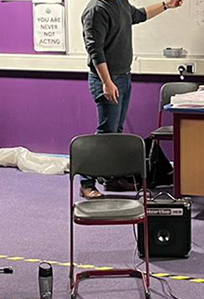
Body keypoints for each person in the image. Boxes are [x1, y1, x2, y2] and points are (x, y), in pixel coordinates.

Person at [79, 0, 187, 199]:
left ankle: (111, 178)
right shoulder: (96, 10)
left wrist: (166, 5)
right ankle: (86, 183)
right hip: (108, 79)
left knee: (116, 133)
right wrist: (107, 82)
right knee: (106, 133)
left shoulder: (119, 2)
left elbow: (138, 15)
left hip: (123, 77)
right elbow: (95, 50)